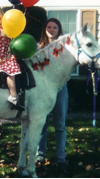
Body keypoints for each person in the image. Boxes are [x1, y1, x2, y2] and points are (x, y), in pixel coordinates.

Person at [36, 18, 69, 168]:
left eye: (54, 27)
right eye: (48, 27)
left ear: (58, 30)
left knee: (60, 124)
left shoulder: (65, 48)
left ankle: (61, 157)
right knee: (42, 124)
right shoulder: (38, 47)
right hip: (42, 91)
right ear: (44, 29)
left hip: (60, 89)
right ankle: (39, 155)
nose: (51, 29)